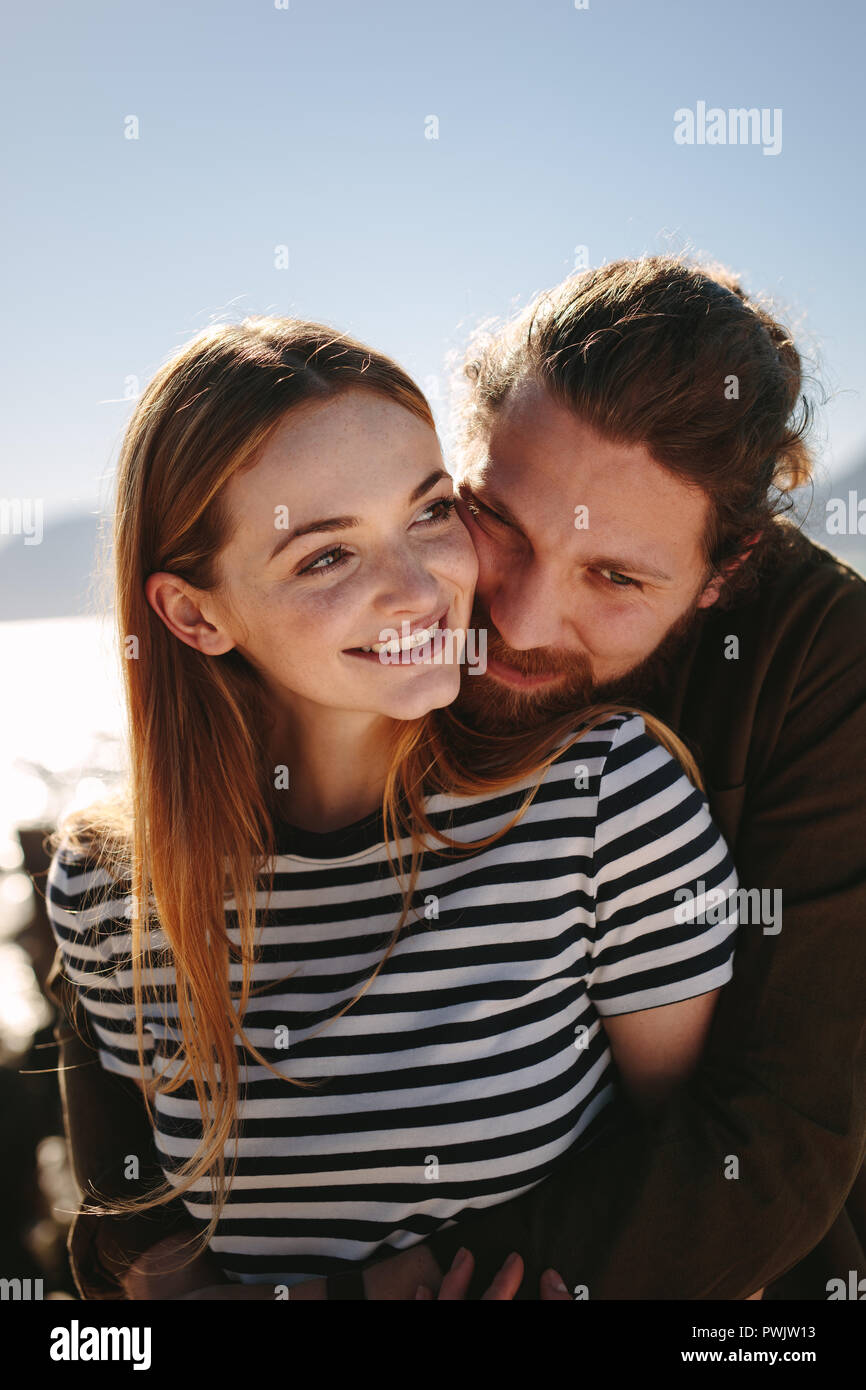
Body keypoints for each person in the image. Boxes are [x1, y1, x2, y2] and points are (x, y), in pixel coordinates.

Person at [46, 254, 866, 1301]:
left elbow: (761, 1137)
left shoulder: (766, 694)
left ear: (725, 574)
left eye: (613, 579)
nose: (507, 623)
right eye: (490, 522)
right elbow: (130, 1214)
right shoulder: (123, 879)